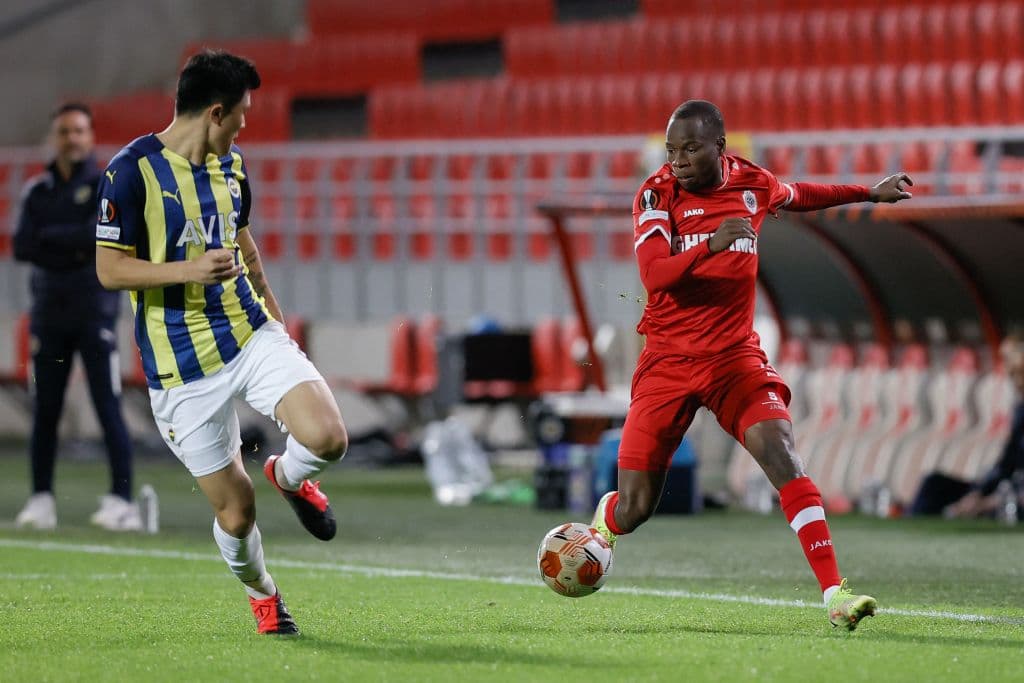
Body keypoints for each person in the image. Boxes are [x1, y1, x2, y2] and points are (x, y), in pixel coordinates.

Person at [590, 100, 913, 631]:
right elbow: (654, 276)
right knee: (635, 509)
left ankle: (834, 593)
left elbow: (800, 194)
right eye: (672, 150)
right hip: (668, 361)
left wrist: (865, 191)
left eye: (691, 149)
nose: (679, 161)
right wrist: (710, 248)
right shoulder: (655, 195)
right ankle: (606, 521)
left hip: (733, 358)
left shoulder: (751, 182)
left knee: (781, 452)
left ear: (720, 148)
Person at [95, 50, 348, 635]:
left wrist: (277, 322)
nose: (244, 125)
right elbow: (110, 270)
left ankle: (288, 475)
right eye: (241, 114)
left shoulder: (231, 166)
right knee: (236, 516)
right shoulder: (130, 173)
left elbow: (243, 244)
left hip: (246, 332)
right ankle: (264, 592)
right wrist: (188, 272)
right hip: (180, 367)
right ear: (214, 111)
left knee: (329, 437)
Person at [13, 103, 138, 531]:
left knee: (108, 404)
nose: (72, 138)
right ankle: (41, 499)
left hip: (95, 312)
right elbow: (22, 246)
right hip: (48, 314)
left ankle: (122, 500)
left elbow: (96, 237)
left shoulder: (106, 184)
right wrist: (76, 246)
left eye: (79, 131)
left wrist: (57, 241)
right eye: (64, 131)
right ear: (55, 137)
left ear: (90, 136)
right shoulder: (38, 190)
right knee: (45, 409)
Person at [911, 330, 1024, 518]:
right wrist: (977, 493)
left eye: (1018, 371)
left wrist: (989, 502)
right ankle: (910, 535)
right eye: (1010, 370)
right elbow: (1005, 464)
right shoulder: (1020, 410)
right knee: (933, 484)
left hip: (1013, 498)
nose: (1013, 377)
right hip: (1005, 492)